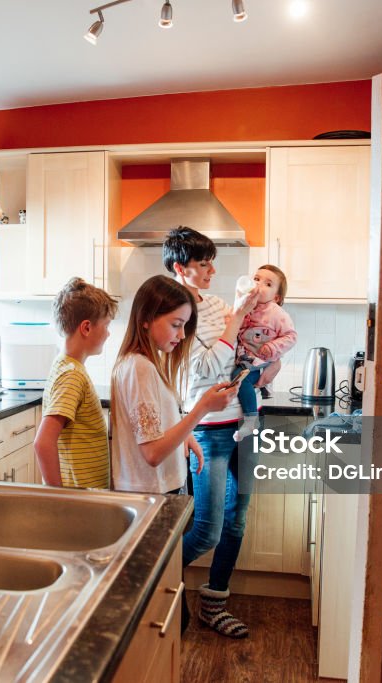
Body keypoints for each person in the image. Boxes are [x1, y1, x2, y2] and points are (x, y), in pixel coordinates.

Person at [163, 226, 259, 639]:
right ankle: (154, 579)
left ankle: (213, 604)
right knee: (207, 528)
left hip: (243, 424)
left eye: (211, 262)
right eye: (203, 264)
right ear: (180, 268)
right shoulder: (175, 313)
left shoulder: (219, 304)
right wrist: (235, 320)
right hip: (208, 431)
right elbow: (201, 369)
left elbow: (232, 353)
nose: (212, 271)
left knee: (236, 523)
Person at [110, 275, 234, 494]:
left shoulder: (145, 363)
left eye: (185, 326)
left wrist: (185, 434)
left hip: (155, 489)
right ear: (146, 318)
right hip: (151, 493)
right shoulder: (140, 368)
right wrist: (202, 408)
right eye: (176, 324)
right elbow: (153, 453)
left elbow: (154, 429)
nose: (182, 334)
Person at [34, 277, 118, 489]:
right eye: (106, 325)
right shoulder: (72, 374)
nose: (108, 333)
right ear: (86, 328)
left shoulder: (68, 367)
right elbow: (43, 442)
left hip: (84, 495)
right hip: (78, 498)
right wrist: (61, 498)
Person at [231, 265, 298, 441]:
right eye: (257, 279)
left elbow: (291, 336)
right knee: (239, 376)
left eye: (268, 284)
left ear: (276, 297)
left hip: (262, 360)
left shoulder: (277, 313)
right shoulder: (246, 306)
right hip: (246, 358)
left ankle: (251, 420)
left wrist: (272, 349)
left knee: (240, 377)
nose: (259, 285)